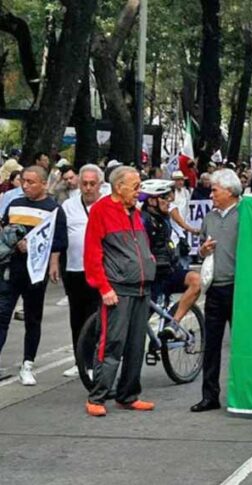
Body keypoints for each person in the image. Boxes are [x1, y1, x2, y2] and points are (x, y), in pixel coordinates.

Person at [83, 166, 156, 417]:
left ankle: (128, 395)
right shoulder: (102, 211)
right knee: (111, 343)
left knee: (136, 345)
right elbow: (93, 254)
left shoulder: (133, 211)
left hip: (141, 288)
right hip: (118, 289)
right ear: (118, 187)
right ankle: (98, 395)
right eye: (135, 186)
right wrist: (104, 287)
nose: (139, 191)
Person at [0, 166, 67, 385]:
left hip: (35, 272)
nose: (26, 186)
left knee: (32, 318)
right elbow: (3, 229)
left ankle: (28, 363)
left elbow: (59, 240)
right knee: (2, 315)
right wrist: (11, 239)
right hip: (11, 268)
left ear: (44, 184)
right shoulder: (14, 204)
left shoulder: (54, 209)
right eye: (24, 181)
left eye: (31, 182)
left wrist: (50, 259)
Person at [191, 168, 241, 413]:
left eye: (215, 190)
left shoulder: (245, 215)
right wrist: (203, 251)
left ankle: (242, 393)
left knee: (241, 344)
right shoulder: (209, 217)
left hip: (238, 288)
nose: (211, 194)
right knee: (211, 345)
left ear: (230, 191)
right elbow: (200, 247)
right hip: (214, 288)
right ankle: (209, 396)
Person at [139, 179, 202, 333]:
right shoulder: (142, 220)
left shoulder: (163, 217)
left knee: (196, 280)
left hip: (168, 271)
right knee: (139, 323)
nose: (170, 201)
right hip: (152, 276)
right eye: (165, 197)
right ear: (152, 201)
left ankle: (173, 323)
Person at [60, 164, 103, 377]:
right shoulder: (69, 206)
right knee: (76, 317)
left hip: (100, 271)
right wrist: (54, 264)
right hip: (74, 269)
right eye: (84, 183)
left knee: (95, 317)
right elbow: (60, 236)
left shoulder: (107, 204)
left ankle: (92, 361)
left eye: (92, 184)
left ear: (100, 185)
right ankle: (79, 361)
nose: (87, 188)